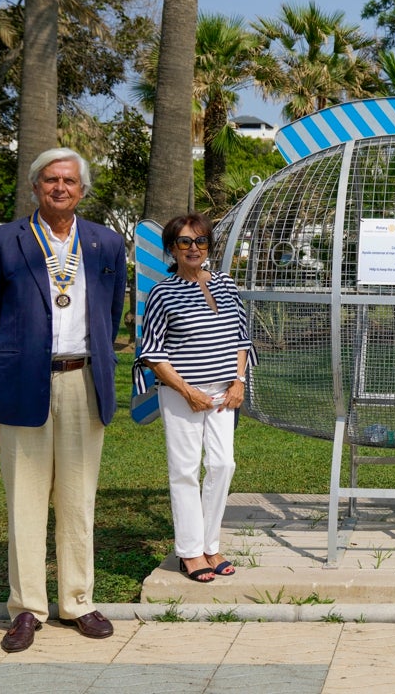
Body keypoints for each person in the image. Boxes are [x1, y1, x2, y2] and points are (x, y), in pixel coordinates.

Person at [0, 148, 127, 652]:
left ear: (82, 189)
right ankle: (27, 609)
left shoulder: (105, 242)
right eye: (51, 180)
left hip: (85, 380)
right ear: (36, 187)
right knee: (26, 499)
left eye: (70, 181)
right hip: (24, 382)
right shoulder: (1, 241)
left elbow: (113, 307)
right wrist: (11, 362)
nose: (61, 187)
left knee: (79, 498)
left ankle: (78, 601)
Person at [136, 213, 257, 583]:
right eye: (185, 242)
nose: (194, 248)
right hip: (181, 395)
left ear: (209, 246)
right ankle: (190, 553)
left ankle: (211, 544)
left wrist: (238, 382)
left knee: (223, 466)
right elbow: (152, 352)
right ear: (172, 248)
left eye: (201, 241)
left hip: (224, 393)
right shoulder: (163, 292)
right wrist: (187, 391)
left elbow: (240, 336)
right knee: (185, 471)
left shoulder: (225, 283)